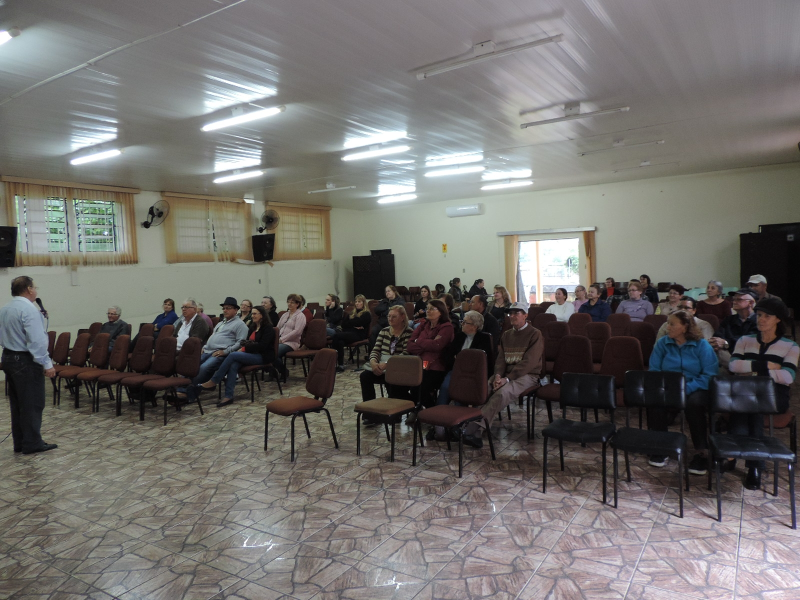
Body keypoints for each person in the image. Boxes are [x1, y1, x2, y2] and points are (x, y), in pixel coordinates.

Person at [729, 298, 799, 489]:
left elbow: (787, 376)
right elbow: (734, 365)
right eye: (759, 315)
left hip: (774, 396)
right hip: (746, 392)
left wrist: (750, 370)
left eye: (767, 316)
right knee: (747, 407)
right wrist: (767, 367)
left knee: (751, 408)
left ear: (778, 320)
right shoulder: (745, 340)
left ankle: (740, 457)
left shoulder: (790, 346)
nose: (761, 320)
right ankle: (752, 463)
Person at [461, 302, 543, 449]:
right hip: (505, 375)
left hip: (527, 375)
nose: (512, 316)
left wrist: (508, 378)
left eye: (516, 313)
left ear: (525, 315)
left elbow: (529, 362)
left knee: (502, 393)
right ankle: (468, 423)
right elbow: (500, 360)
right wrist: (498, 376)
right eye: (510, 313)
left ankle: (475, 429)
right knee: (484, 389)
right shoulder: (506, 335)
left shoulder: (534, 334)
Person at [647, 310, 719, 472]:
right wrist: (667, 388)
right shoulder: (663, 343)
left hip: (696, 387)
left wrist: (686, 388)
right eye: (667, 323)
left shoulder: (702, 345)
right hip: (668, 386)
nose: (667, 328)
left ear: (685, 327)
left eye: (672, 324)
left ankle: (702, 452)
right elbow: (654, 370)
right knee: (655, 402)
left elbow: (709, 375)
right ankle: (661, 447)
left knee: (694, 404)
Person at [0, 276, 57, 455]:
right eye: (35, 288)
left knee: (18, 404)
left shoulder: (5, 308)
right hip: (25, 360)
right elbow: (37, 341)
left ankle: (21, 442)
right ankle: (32, 443)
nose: (36, 291)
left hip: (8, 357)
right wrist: (47, 364)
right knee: (32, 403)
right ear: (29, 289)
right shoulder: (29, 310)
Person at [427, 310, 494, 441]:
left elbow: (486, 362)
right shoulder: (459, 337)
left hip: (475, 376)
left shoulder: (484, 339)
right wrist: (456, 361)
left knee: (461, 394)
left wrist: (461, 360)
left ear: (474, 326)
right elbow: (447, 356)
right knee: (445, 388)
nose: (461, 324)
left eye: (465, 322)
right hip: (457, 371)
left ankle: (456, 426)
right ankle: (438, 423)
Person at [198, 305, 275, 407]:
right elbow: (244, 342)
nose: (252, 316)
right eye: (252, 313)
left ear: (262, 315)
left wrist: (246, 348)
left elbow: (262, 346)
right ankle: (228, 396)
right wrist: (246, 347)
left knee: (233, 355)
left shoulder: (268, 328)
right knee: (233, 364)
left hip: (263, 357)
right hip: (251, 354)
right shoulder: (253, 327)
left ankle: (215, 380)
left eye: (255, 313)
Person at [181, 297, 249, 402]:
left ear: (236, 310)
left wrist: (225, 351)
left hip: (220, 353)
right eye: (224, 308)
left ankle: (188, 394)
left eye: (228, 308)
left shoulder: (240, 325)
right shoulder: (221, 323)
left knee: (203, 368)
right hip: (208, 350)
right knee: (191, 365)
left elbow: (240, 343)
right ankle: (180, 390)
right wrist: (204, 347)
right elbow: (212, 337)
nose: (225, 310)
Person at [407, 298, 455, 408]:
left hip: (437, 367)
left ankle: (433, 411)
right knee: (400, 383)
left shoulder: (447, 327)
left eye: (432, 309)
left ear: (441, 312)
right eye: (427, 308)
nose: (428, 311)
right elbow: (409, 345)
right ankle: (416, 408)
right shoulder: (424, 325)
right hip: (419, 365)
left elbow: (437, 346)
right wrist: (428, 344)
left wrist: (418, 341)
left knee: (417, 388)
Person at [359, 305, 413, 405]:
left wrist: (388, 364)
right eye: (389, 316)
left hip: (398, 367)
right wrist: (373, 363)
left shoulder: (408, 332)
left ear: (402, 317)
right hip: (382, 365)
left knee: (392, 381)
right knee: (365, 376)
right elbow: (376, 350)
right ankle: (369, 410)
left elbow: (406, 353)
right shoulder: (384, 331)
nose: (390, 319)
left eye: (394, 316)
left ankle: (395, 410)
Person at [709, 288, 759, 360]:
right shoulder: (728, 320)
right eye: (733, 299)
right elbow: (717, 337)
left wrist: (726, 343)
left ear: (750, 303)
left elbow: (749, 341)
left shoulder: (759, 321)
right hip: (725, 356)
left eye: (739, 299)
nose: (734, 302)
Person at [332, 295, 371, 372]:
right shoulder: (352, 313)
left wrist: (352, 323)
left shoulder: (366, 314)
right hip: (349, 333)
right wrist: (354, 325)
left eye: (359, 302)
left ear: (363, 303)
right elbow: (343, 324)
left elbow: (359, 322)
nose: (357, 303)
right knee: (340, 342)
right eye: (356, 302)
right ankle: (340, 365)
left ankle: (332, 361)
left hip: (359, 335)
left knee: (335, 335)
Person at [274, 294, 307, 381]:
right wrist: (275, 338)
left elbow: (297, 332)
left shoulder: (300, 316)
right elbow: (278, 327)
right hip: (280, 341)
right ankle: (275, 371)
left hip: (292, 343)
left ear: (297, 304)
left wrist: (282, 339)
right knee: (268, 351)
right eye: (288, 302)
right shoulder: (285, 315)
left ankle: (283, 371)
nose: (289, 304)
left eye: (292, 302)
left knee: (274, 352)